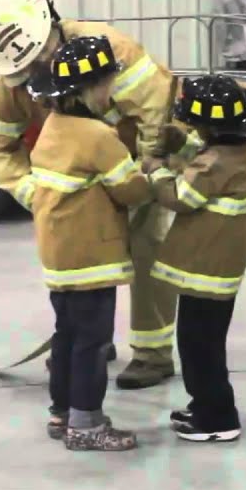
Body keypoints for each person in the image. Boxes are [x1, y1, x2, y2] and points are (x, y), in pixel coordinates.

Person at [0, 0, 199, 389]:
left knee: (147, 246)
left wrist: (145, 176)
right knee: (84, 257)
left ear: (54, 32)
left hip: (144, 158)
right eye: (25, 74)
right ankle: (89, 340)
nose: (36, 79)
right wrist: (33, 191)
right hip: (84, 176)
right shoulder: (11, 86)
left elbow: (156, 116)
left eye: (40, 61)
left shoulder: (113, 52)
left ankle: (152, 354)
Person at [24, 35, 150, 451]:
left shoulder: (53, 127)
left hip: (59, 255)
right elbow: (130, 191)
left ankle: (62, 413)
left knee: (67, 336)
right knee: (93, 343)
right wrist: (151, 173)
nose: (110, 90)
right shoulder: (96, 135)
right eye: (107, 83)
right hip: (91, 257)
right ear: (89, 88)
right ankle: (87, 425)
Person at [145, 75, 246, 443]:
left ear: (210, 128)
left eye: (194, 125)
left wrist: (156, 168)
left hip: (207, 272)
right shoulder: (239, 150)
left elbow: (181, 195)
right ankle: (205, 406)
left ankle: (217, 417)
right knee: (203, 345)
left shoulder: (215, 163)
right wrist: (183, 144)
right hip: (218, 270)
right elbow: (203, 161)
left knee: (199, 349)